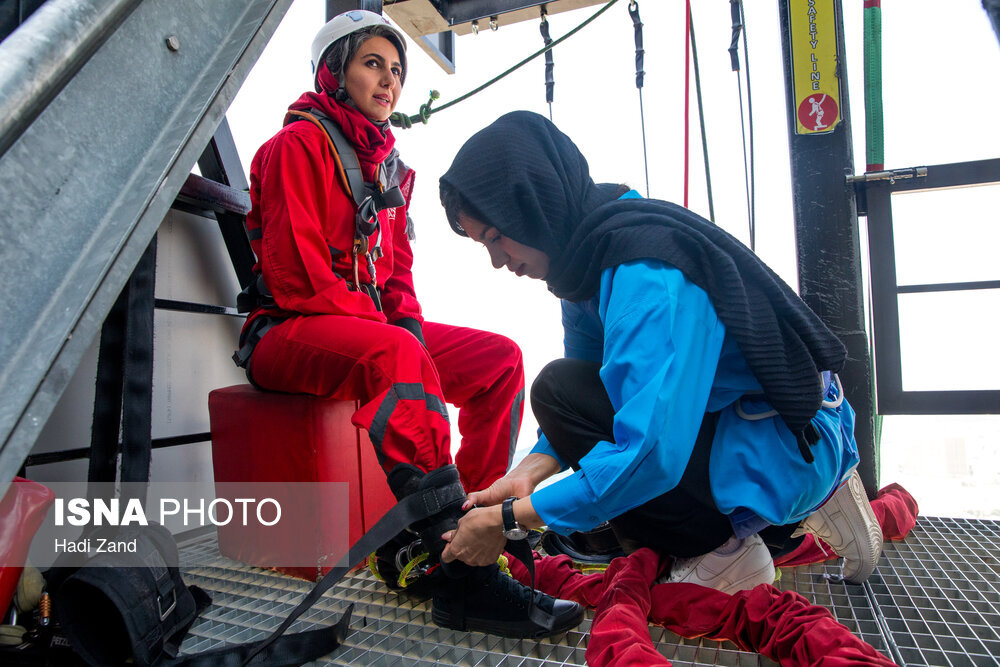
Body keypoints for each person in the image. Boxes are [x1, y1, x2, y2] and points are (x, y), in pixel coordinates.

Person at [235, 15, 583, 637]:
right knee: (396, 350)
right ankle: (464, 581)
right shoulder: (294, 148)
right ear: (333, 72)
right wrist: (400, 339)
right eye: (372, 63)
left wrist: (412, 331)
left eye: (396, 70)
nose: (389, 79)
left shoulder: (389, 172)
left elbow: (397, 282)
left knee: (498, 359)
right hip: (288, 334)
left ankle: (472, 527)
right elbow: (297, 281)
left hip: (364, 333)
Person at [437, 111, 884, 594]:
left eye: (494, 236)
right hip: (782, 423)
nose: (497, 261)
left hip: (793, 441)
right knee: (560, 389)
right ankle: (815, 494)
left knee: (575, 413)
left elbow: (650, 455)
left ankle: (722, 555)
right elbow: (586, 399)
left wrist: (506, 522)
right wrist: (527, 472)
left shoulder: (644, 273)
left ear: (532, 202)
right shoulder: (588, 258)